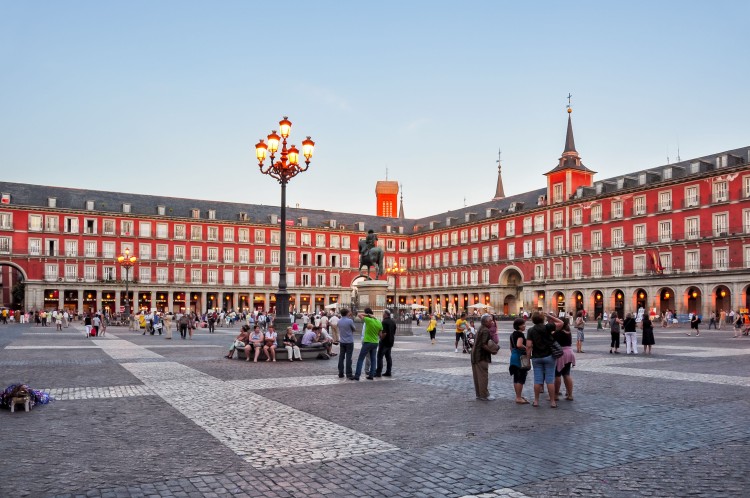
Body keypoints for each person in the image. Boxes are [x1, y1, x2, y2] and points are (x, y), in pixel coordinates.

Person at [526, 311, 564, 408]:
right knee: (550, 380)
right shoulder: (548, 327)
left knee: (537, 380)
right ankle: (552, 402)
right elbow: (561, 323)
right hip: (549, 356)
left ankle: (536, 401)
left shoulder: (530, 330)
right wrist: (549, 315)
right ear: (543, 319)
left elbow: (529, 346)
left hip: (536, 357)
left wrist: (527, 360)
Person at [471, 314, 497, 401]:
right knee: (483, 376)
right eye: (490, 321)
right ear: (486, 322)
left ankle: (479, 394)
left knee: (477, 376)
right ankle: (484, 395)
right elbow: (483, 344)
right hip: (481, 356)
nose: (492, 322)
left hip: (475, 354)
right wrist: (492, 351)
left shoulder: (480, 328)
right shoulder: (486, 330)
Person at [352, 308, 382, 381]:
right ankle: (371, 375)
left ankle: (357, 375)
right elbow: (380, 334)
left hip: (368, 341)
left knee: (361, 359)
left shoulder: (368, 320)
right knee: (373, 359)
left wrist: (368, 315)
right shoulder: (379, 322)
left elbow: (359, 315)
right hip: (375, 342)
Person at [508, 317, 529, 404]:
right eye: (523, 324)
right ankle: (518, 397)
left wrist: (514, 353)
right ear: (519, 326)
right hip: (520, 357)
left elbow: (511, 347)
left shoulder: (512, 334)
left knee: (516, 377)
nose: (524, 326)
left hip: (513, 356)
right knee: (521, 377)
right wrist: (527, 348)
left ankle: (518, 396)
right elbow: (519, 345)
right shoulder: (520, 334)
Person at [554, 318, 576, 402]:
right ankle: (570, 394)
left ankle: (556, 395)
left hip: (561, 354)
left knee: (557, 374)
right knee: (566, 374)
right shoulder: (568, 331)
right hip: (569, 353)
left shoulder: (558, 333)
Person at [375, 310, 396, 377]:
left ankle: (378, 372)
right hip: (391, 341)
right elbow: (394, 332)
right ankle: (388, 371)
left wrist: (381, 338)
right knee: (388, 357)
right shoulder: (393, 321)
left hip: (384, 342)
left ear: (386, 314)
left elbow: (384, 333)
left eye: (383, 313)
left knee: (379, 357)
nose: (382, 315)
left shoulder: (384, 322)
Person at [337, 309, 356, 378]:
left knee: (341, 357)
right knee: (348, 357)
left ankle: (340, 373)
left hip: (342, 341)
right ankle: (349, 373)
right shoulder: (349, 320)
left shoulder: (339, 321)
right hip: (349, 341)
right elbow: (354, 329)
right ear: (347, 313)